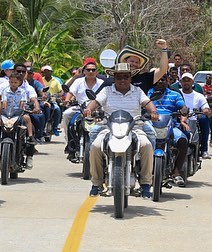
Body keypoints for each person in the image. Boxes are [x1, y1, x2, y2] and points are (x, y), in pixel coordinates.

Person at [83, 62, 158, 198]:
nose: (122, 80)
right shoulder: (107, 90)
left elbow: (147, 103)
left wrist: (153, 111)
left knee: (147, 146)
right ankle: (96, 183)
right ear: (114, 78)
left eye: (125, 77)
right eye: (119, 77)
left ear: (130, 78)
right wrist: (89, 109)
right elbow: (96, 102)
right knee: (95, 146)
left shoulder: (137, 91)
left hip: (134, 128)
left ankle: (146, 184)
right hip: (108, 128)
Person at [147, 75, 189, 187]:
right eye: (158, 79)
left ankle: (176, 172)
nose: (160, 82)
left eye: (163, 80)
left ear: (168, 81)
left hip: (170, 125)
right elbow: (141, 104)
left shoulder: (174, 94)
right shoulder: (147, 93)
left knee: (182, 140)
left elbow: (182, 106)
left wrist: (184, 110)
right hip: (149, 125)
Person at [62, 60, 105, 160]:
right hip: (79, 107)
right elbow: (71, 92)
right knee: (66, 114)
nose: (91, 72)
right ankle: (70, 144)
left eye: (93, 70)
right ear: (84, 71)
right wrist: (67, 100)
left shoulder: (102, 83)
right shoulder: (78, 81)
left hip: (98, 109)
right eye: (88, 70)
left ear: (97, 72)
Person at [179, 73, 211, 160]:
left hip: (194, 118)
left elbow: (206, 108)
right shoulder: (177, 94)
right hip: (179, 118)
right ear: (180, 82)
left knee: (204, 119)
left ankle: (204, 149)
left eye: (188, 80)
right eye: (184, 81)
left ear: (192, 82)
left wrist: (205, 111)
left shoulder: (199, 96)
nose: (186, 83)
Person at [40, 65, 63, 141]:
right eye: (45, 71)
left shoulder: (56, 81)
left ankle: (55, 127)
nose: (47, 72)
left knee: (57, 109)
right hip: (43, 99)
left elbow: (60, 91)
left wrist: (58, 95)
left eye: (48, 71)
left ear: (51, 72)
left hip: (52, 99)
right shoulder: (41, 80)